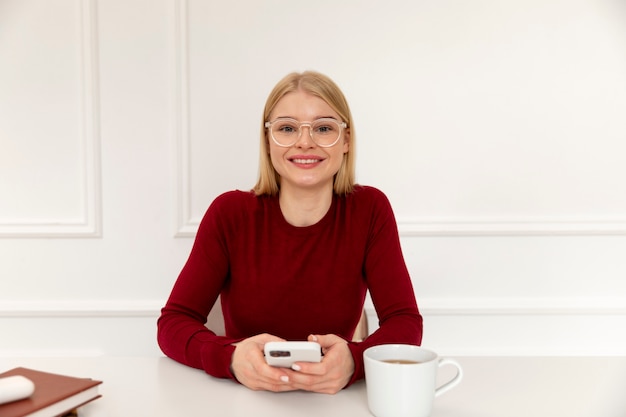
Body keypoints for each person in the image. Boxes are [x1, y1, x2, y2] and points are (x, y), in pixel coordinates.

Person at [157, 70, 422, 394]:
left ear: (346, 141)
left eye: (324, 128)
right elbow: (173, 323)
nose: (305, 141)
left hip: (333, 403)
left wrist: (354, 361)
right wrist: (230, 358)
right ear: (268, 142)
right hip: (245, 401)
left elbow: (405, 322)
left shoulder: (369, 209)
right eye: (287, 128)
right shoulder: (229, 214)